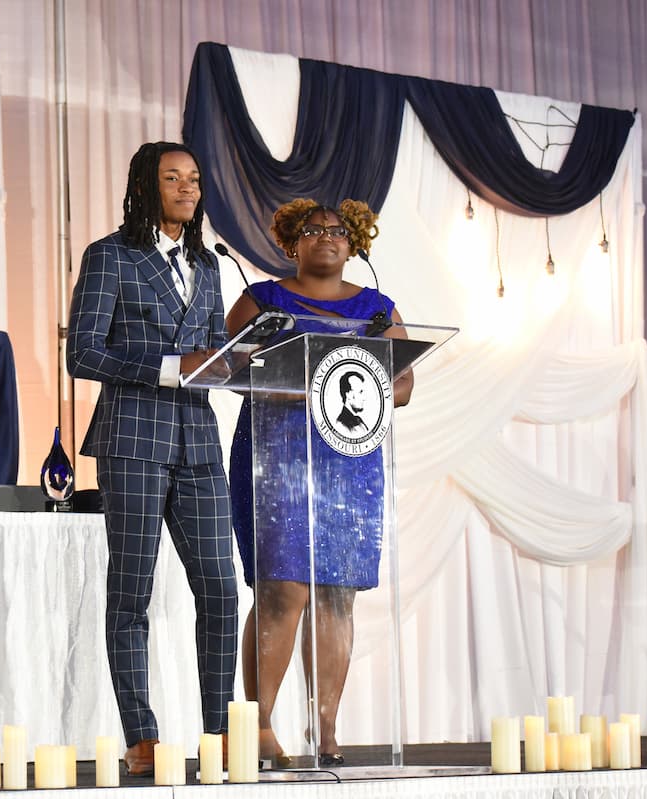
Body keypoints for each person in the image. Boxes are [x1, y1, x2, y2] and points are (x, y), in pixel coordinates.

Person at [67, 141, 239, 776]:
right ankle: (141, 737)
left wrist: (240, 361)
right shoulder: (110, 255)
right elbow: (82, 353)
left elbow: (212, 350)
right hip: (133, 443)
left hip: (200, 444)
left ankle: (221, 733)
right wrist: (170, 367)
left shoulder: (211, 265)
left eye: (193, 178)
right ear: (145, 186)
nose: (188, 188)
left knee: (222, 588)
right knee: (132, 593)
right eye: (173, 178)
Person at [225, 198, 414, 767]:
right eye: (310, 230)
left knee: (336, 593)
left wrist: (337, 383)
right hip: (277, 454)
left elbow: (403, 386)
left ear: (354, 242)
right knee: (283, 589)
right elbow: (233, 366)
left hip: (349, 459)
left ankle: (326, 726)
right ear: (291, 242)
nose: (325, 237)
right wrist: (320, 381)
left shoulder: (378, 309)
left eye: (336, 230)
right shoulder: (262, 300)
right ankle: (259, 724)